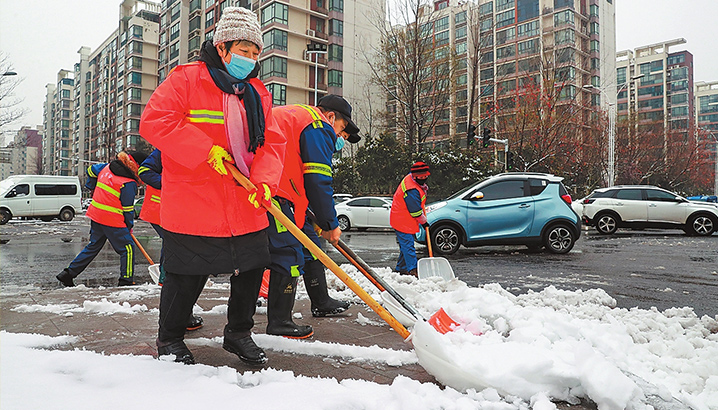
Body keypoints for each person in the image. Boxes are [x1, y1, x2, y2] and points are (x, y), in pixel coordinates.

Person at [139, 7, 286, 366]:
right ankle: (170, 339)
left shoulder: (256, 93)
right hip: (195, 202)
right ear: (222, 47)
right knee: (186, 275)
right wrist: (205, 150)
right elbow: (155, 121)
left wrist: (266, 182)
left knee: (252, 269)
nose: (250, 60)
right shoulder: (186, 79)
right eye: (244, 51)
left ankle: (238, 334)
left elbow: (271, 144)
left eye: (255, 54)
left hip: (244, 201)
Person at [263, 95, 360, 338]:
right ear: (330, 117)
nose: (338, 138)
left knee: (310, 248)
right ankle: (279, 322)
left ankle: (321, 300)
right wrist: (330, 223)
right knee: (288, 254)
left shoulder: (298, 118)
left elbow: (301, 173)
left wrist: (314, 215)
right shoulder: (317, 124)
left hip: (281, 191)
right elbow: (318, 179)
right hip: (273, 192)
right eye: (340, 130)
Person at [56, 151, 148, 287]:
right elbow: (128, 210)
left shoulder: (106, 168)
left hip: (96, 214)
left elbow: (91, 170)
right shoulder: (128, 183)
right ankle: (126, 281)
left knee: (93, 246)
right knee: (127, 248)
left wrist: (91, 185)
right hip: (112, 219)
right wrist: (128, 227)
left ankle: (68, 274)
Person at [138, 149, 203, 332]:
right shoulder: (166, 148)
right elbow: (144, 171)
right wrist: (171, 185)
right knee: (181, 258)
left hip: (180, 212)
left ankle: (180, 313)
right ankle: (179, 316)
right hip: (163, 210)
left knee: (178, 256)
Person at [389, 161, 430, 277]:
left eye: (425, 176)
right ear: (415, 176)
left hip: (405, 219)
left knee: (405, 246)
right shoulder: (411, 190)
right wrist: (424, 222)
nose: (424, 178)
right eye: (421, 177)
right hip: (402, 220)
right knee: (408, 246)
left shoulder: (411, 179)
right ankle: (413, 269)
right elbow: (415, 211)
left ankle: (401, 268)